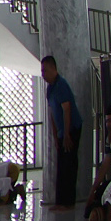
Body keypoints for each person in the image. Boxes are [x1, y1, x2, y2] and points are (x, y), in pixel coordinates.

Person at [42, 54, 82, 210]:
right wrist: (55, 135)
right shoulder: (50, 89)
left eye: (45, 70)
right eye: (42, 71)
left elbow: (67, 110)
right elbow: (53, 113)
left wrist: (66, 134)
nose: (43, 74)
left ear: (53, 69)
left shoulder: (61, 85)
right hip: (61, 132)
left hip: (71, 129)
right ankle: (60, 202)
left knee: (69, 165)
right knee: (61, 165)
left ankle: (68, 203)